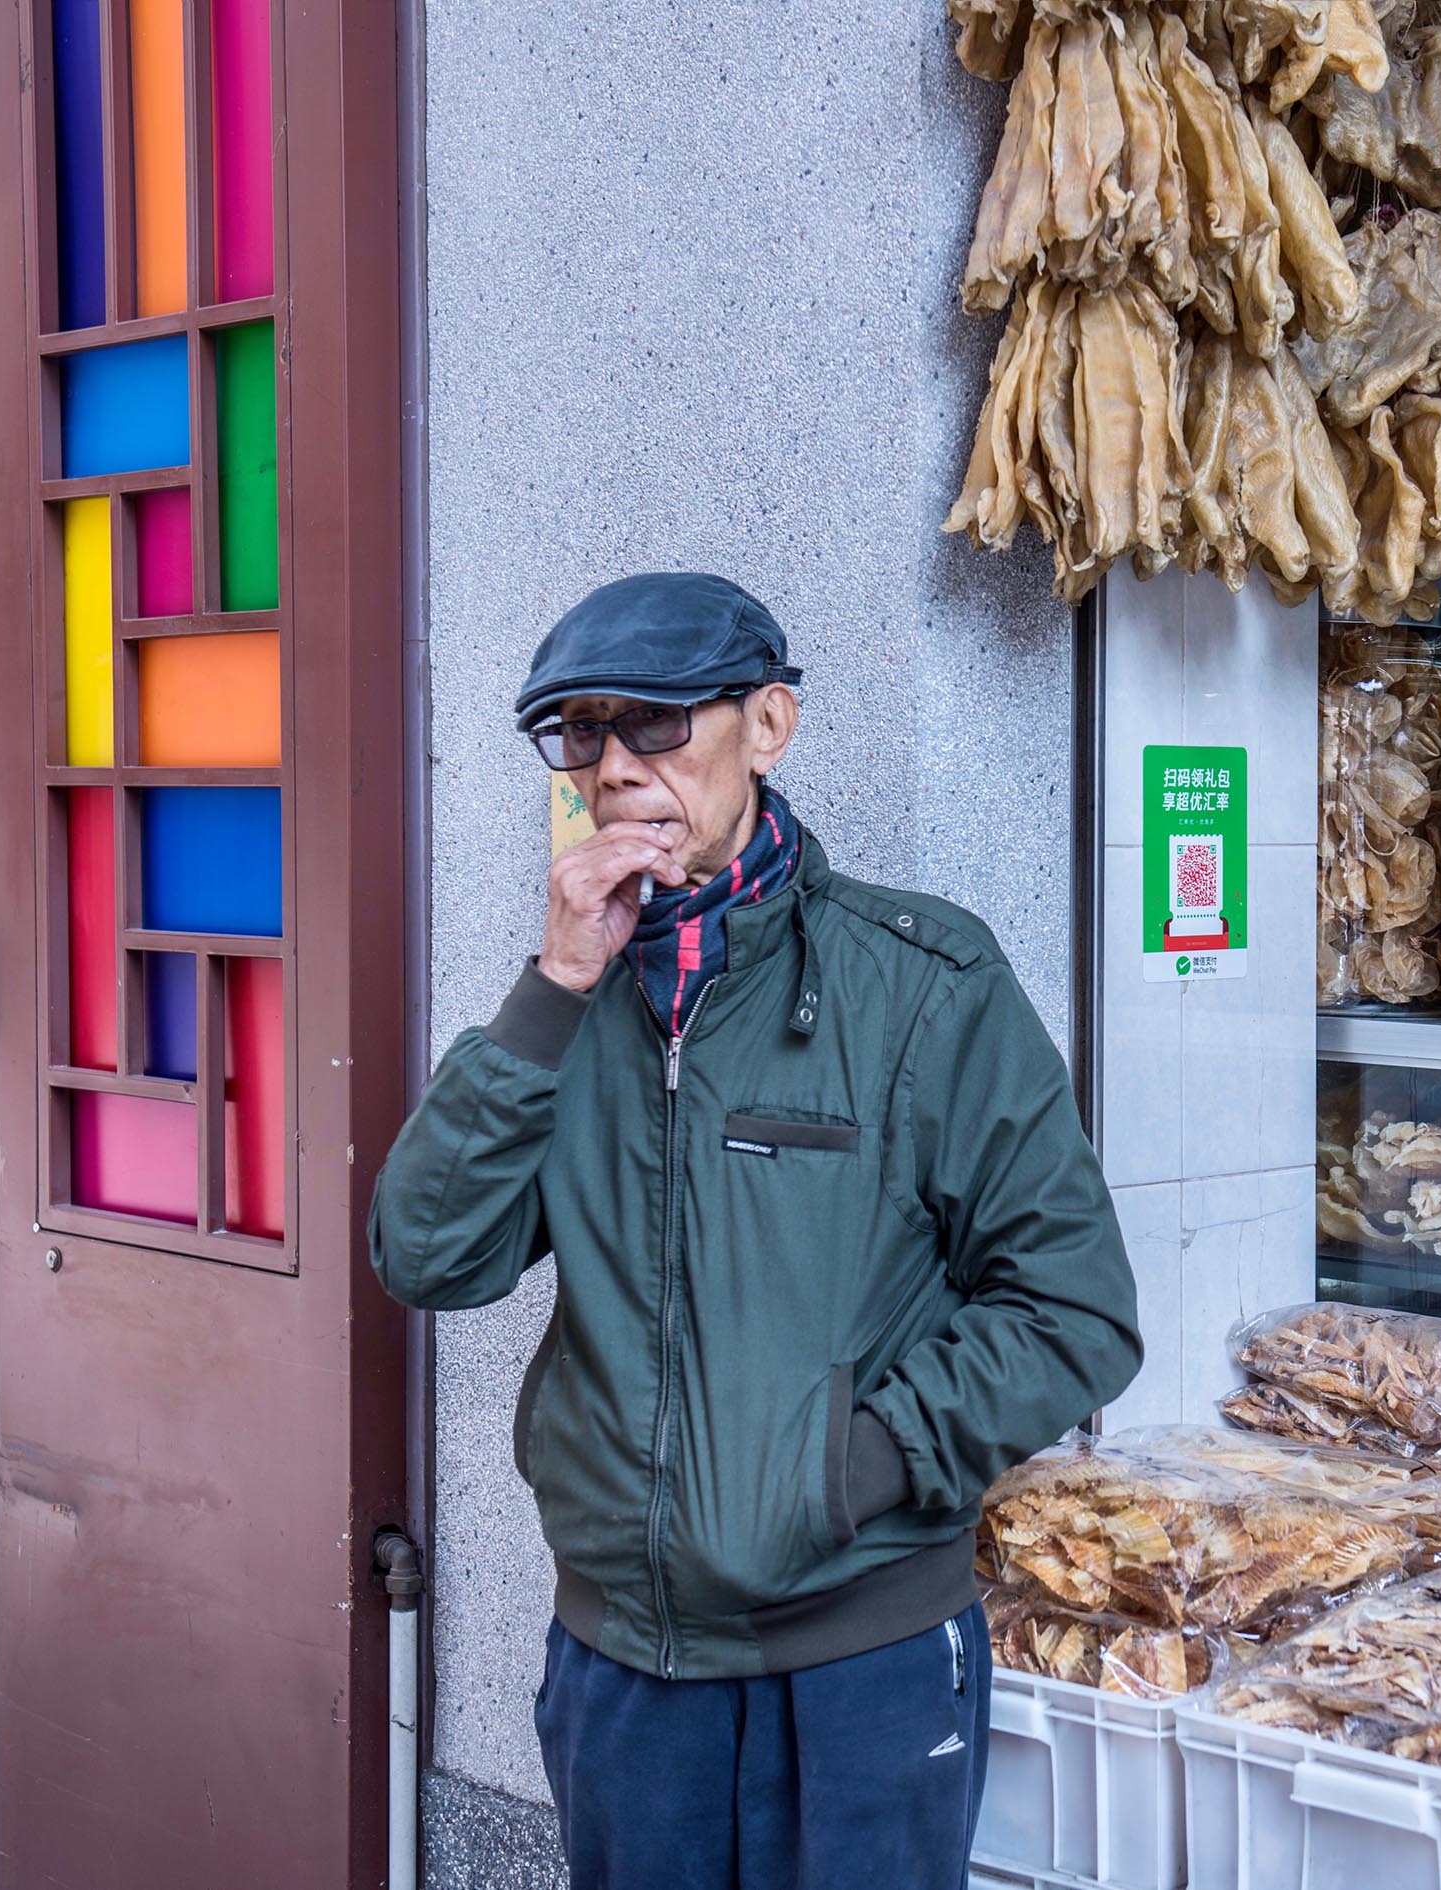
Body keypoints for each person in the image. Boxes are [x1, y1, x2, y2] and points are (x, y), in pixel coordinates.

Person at [369, 572, 1140, 1890]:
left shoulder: (924, 984)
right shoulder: (567, 1011)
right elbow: (429, 1253)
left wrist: (863, 1459)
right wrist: (554, 989)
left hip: (863, 1671)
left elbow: (1077, 1307)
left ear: (767, 726)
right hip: (622, 1670)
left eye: (658, 725)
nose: (616, 767)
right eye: (582, 735)